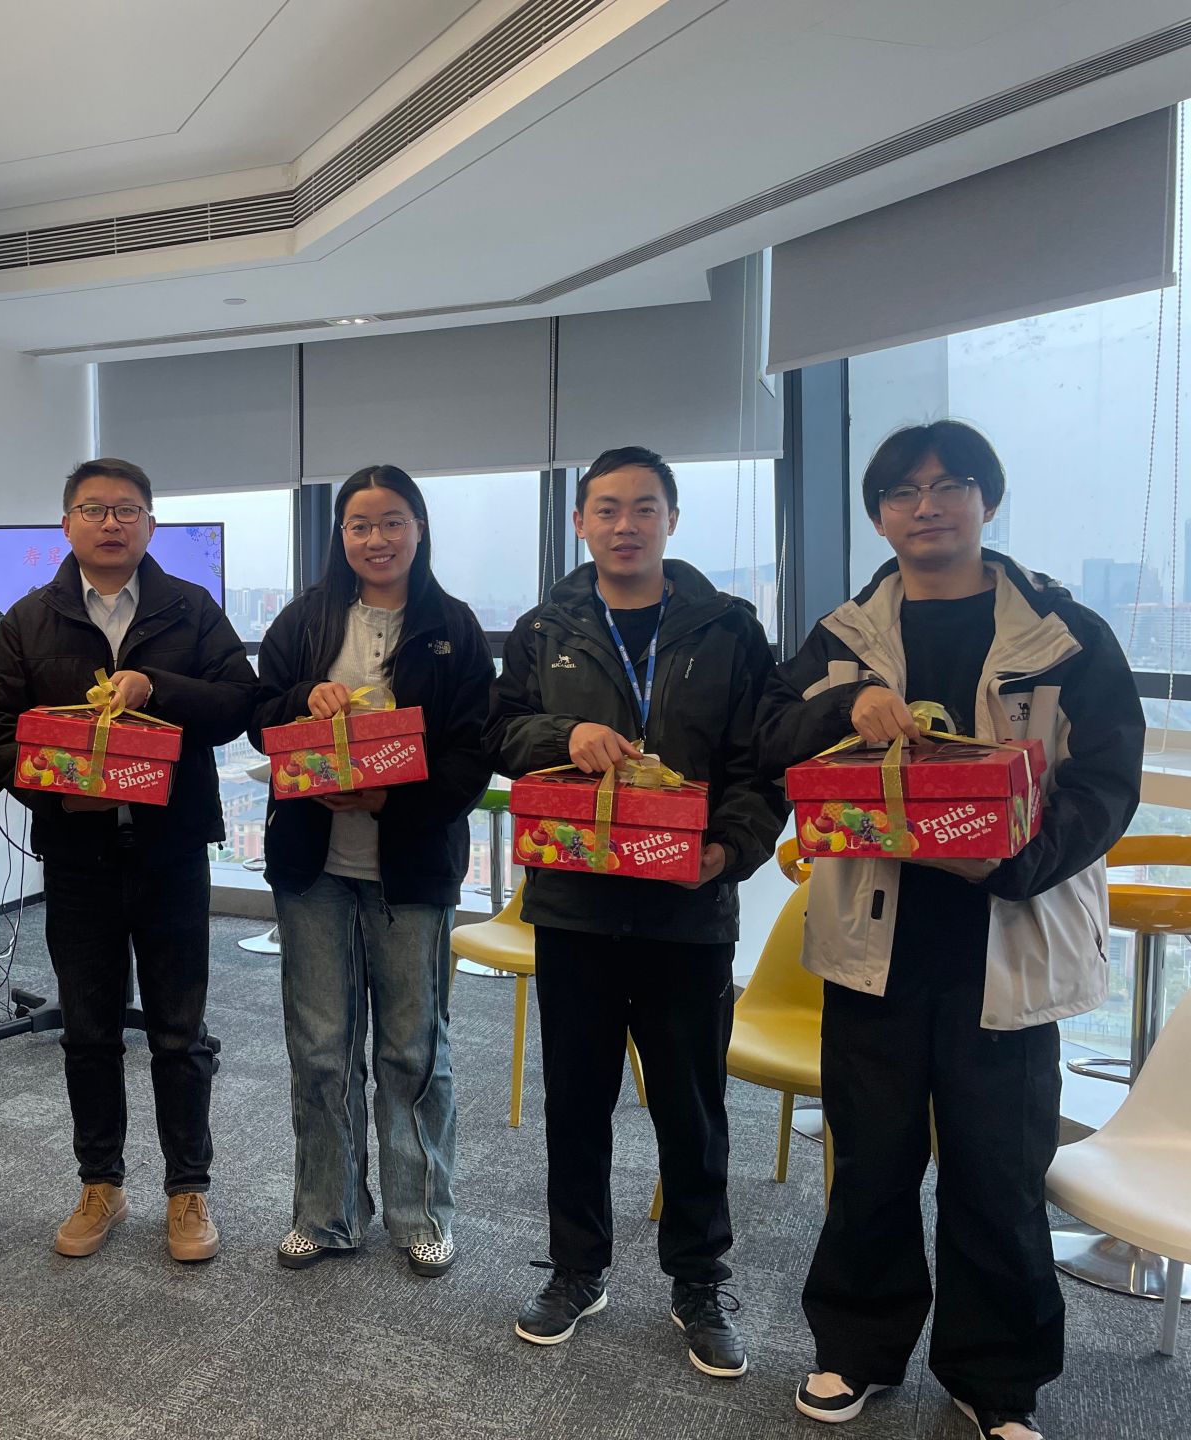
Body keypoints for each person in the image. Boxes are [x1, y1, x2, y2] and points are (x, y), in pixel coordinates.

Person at [757, 421, 1141, 1440]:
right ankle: (857, 1349)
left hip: (1008, 939)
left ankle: (997, 1380)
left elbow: (1108, 782)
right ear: (881, 516)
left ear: (988, 500)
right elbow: (772, 735)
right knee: (871, 1165)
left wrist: (1018, 861)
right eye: (904, 492)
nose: (926, 506)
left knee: (998, 1174)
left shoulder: (1065, 633)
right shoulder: (843, 637)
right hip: (875, 943)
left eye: (951, 485)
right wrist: (849, 702)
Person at [485, 446, 786, 1374]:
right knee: (577, 1100)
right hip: (575, 905)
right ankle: (577, 1269)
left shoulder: (728, 629)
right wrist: (563, 733)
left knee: (692, 1110)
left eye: (644, 508)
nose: (626, 525)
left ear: (671, 520)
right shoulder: (545, 628)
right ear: (580, 522)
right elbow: (498, 733)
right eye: (607, 509)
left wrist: (728, 853)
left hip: (687, 911)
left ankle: (699, 1281)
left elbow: (762, 765)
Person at [0, 458, 257, 1262]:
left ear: (150, 525)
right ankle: (100, 1181)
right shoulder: (28, 620)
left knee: (179, 1030)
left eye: (127, 510)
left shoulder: (189, 607)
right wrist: (57, 794)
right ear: (66, 523)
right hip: (78, 855)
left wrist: (155, 686)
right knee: (89, 1030)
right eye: (94, 509)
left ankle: (188, 1189)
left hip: (172, 851)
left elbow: (238, 706)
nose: (111, 523)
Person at [248, 464, 493, 1277]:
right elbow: (259, 718)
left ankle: (423, 1214)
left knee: (412, 1050)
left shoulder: (452, 626)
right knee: (320, 1048)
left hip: (412, 867)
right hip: (312, 865)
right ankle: (326, 1212)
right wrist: (301, 700)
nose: (376, 538)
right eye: (359, 524)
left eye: (393, 521)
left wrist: (393, 801)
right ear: (341, 536)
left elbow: (472, 757)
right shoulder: (304, 620)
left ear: (419, 528)